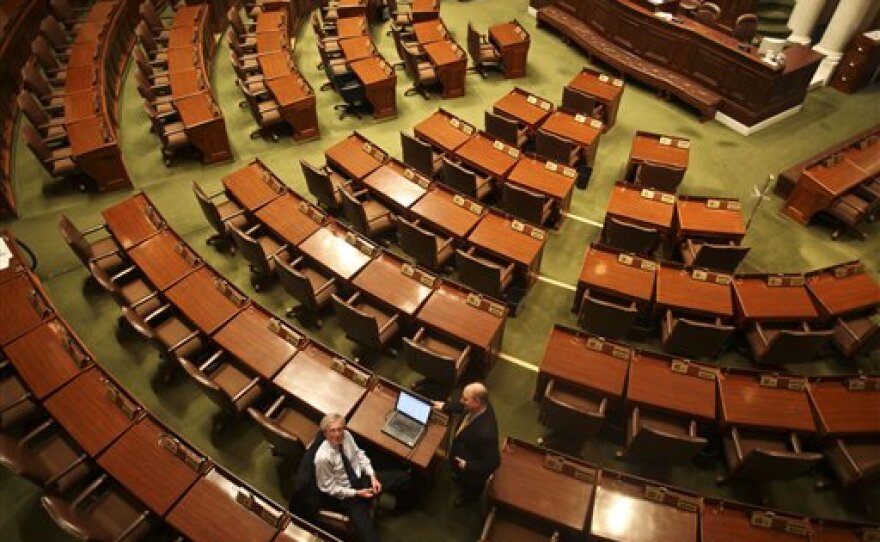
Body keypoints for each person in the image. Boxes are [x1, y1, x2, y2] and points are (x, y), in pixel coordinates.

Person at [313, 413, 411, 542]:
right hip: (348, 496)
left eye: (340, 429)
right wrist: (358, 493)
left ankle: (398, 510)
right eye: (333, 431)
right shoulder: (322, 458)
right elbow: (328, 488)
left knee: (404, 478)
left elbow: (359, 455)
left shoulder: (346, 436)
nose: (337, 434)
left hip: (363, 479)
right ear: (325, 433)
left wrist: (372, 476)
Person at [433, 382, 500, 507]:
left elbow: (493, 462)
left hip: (470, 471)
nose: (461, 400)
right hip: (462, 451)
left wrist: (468, 465)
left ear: (477, 402)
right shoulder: (481, 405)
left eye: (465, 399)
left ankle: (468, 499)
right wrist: (445, 406)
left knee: (469, 487)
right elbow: (462, 406)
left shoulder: (486, 434)